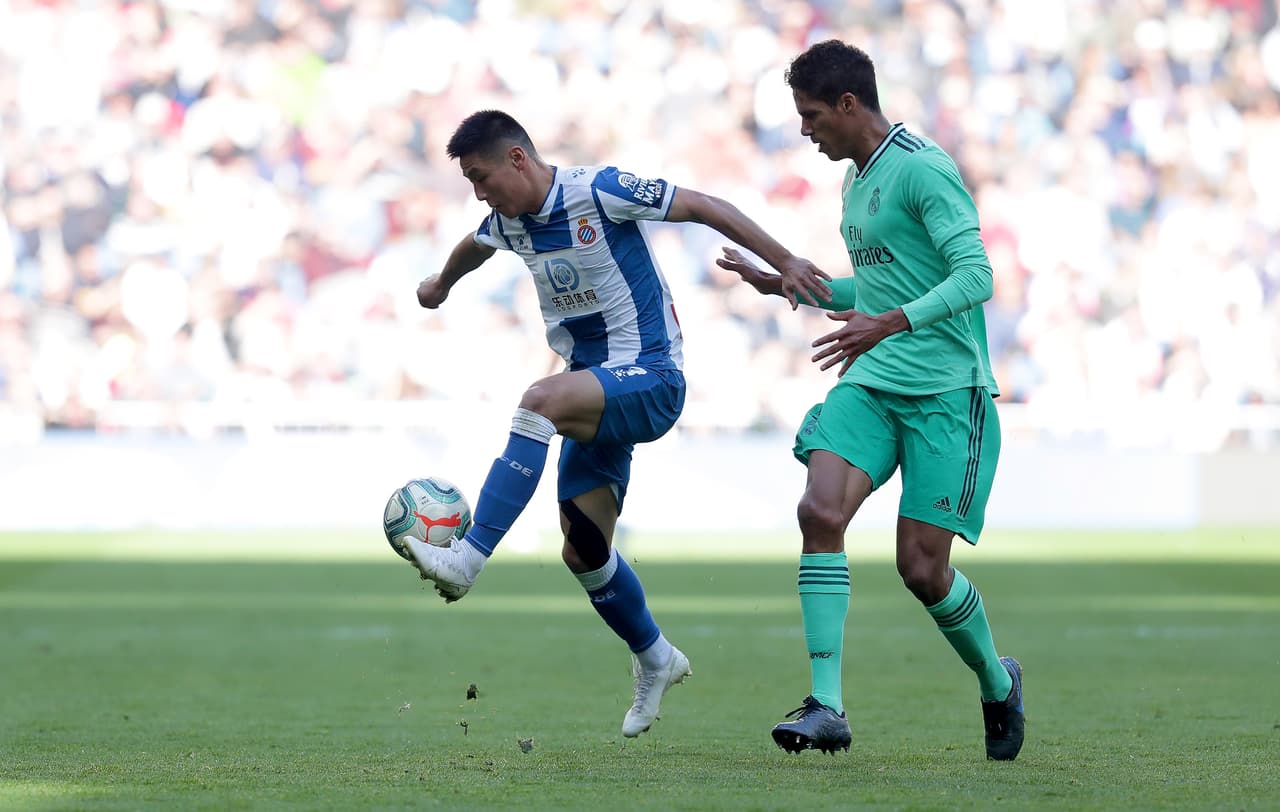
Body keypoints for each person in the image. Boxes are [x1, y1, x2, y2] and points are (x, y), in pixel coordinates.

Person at [401, 109, 831, 739]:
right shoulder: (510, 222)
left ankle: (469, 557)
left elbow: (704, 205)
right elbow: (474, 245)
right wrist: (440, 283)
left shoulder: (598, 191)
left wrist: (786, 259)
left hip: (651, 376)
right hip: (595, 388)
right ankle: (656, 657)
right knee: (583, 548)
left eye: (481, 177)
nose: (479, 194)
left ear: (517, 159)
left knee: (538, 400)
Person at [717, 41, 1024, 760]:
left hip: (946, 391)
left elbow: (976, 276)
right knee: (820, 510)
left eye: (812, 115)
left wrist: (886, 323)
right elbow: (885, 286)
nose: (805, 130)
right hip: (874, 381)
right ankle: (826, 705)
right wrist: (794, 285)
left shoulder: (922, 168)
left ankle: (996, 679)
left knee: (921, 569)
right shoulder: (856, 179)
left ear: (849, 104)